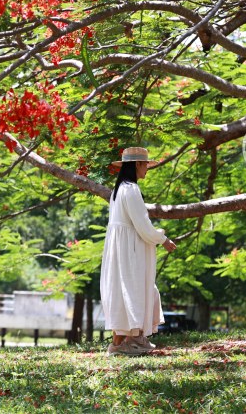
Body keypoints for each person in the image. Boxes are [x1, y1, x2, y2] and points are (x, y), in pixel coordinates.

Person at [100, 147, 177, 356]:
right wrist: (163, 239)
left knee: (124, 291)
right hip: (130, 251)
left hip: (120, 249)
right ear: (136, 165)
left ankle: (120, 344)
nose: (147, 169)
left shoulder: (118, 191)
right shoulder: (131, 189)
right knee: (132, 290)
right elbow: (142, 225)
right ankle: (130, 341)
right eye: (145, 165)